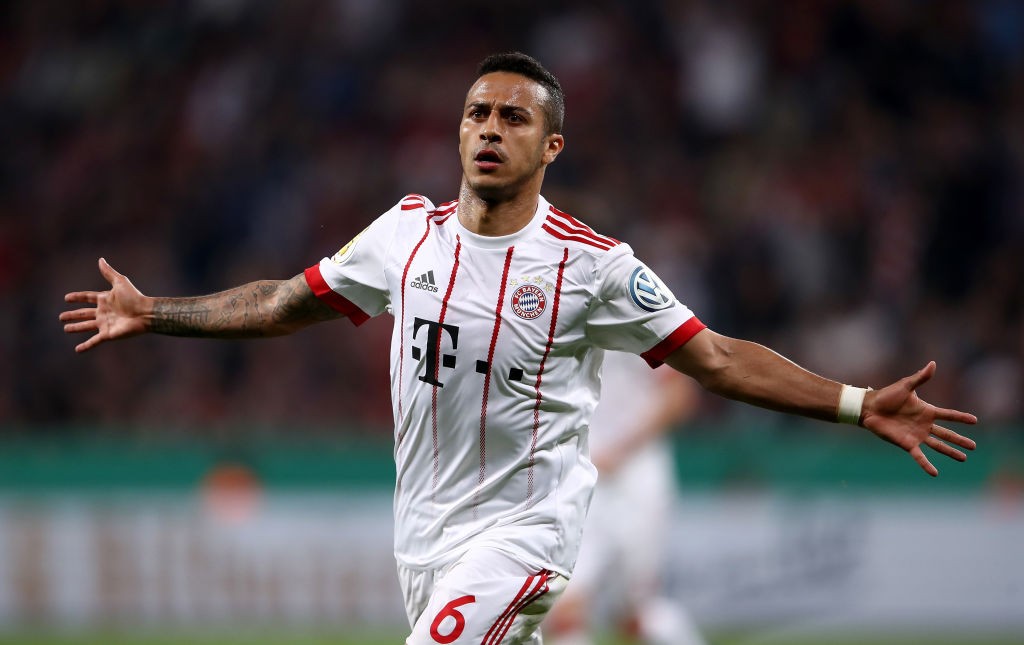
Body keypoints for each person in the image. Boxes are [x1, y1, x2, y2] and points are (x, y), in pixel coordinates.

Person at [60, 52, 977, 645]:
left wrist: (857, 403)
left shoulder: (595, 267)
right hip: (424, 536)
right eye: (477, 113)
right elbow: (281, 304)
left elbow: (719, 359)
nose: (491, 128)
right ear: (458, 131)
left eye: (513, 117)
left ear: (551, 145)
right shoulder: (403, 236)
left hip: (526, 533)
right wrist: (155, 311)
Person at [545, 351, 706, 645]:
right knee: (565, 608)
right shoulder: (559, 333)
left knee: (636, 614)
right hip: (583, 479)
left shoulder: (640, 330)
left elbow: (679, 395)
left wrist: (621, 449)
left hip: (637, 478)